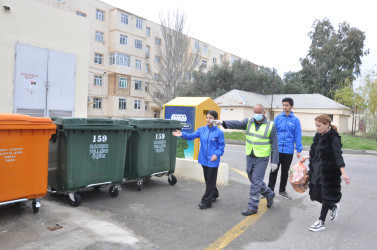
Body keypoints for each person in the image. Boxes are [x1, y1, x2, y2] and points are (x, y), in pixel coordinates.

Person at [212, 104, 278, 216]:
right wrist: (223, 122)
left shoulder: (271, 125)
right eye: (255, 112)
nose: (257, 114)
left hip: (262, 157)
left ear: (264, 113)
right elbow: (237, 123)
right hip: (250, 155)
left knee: (255, 183)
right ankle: (269, 193)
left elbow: (275, 144)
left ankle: (252, 207)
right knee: (252, 178)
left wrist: (274, 161)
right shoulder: (249, 121)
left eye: (259, 112)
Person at [302, 114, 351, 232]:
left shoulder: (333, 138)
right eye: (316, 126)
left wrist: (343, 173)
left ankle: (321, 222)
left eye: (319, 126)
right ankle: (332, 206)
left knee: (326, 195)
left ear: (327, 124)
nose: (317, 128)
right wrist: (308, 156)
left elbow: (338, 156)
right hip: (316, 170)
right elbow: (317, 152)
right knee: (315, 195)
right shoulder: (318, 136)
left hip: (328, 172)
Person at [172, 110, 225, 209]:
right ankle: (214, 193)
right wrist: (182, 134)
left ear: (215, 119)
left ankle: (206, 201)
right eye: (207, 117)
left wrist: (216, 155)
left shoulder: (219, 133)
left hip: (213, 160)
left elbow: (221, 147)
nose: (208, 120)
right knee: (208, 179)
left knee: (210, 180)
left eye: (211, 118)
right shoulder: (201, 130)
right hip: (203, 160)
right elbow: (192, 136)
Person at [268, 97, 303, 200]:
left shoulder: (296, 121)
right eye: (283, 105)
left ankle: (282, 190)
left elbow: (298, 135)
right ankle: (269, 191)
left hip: (288, 151)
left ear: (291, 107)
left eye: (287, 105)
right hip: (277, 150)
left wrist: (299, 150)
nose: (284, 107)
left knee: (285, 171)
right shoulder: (278, 118)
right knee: (273, 170)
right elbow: (272, 133)